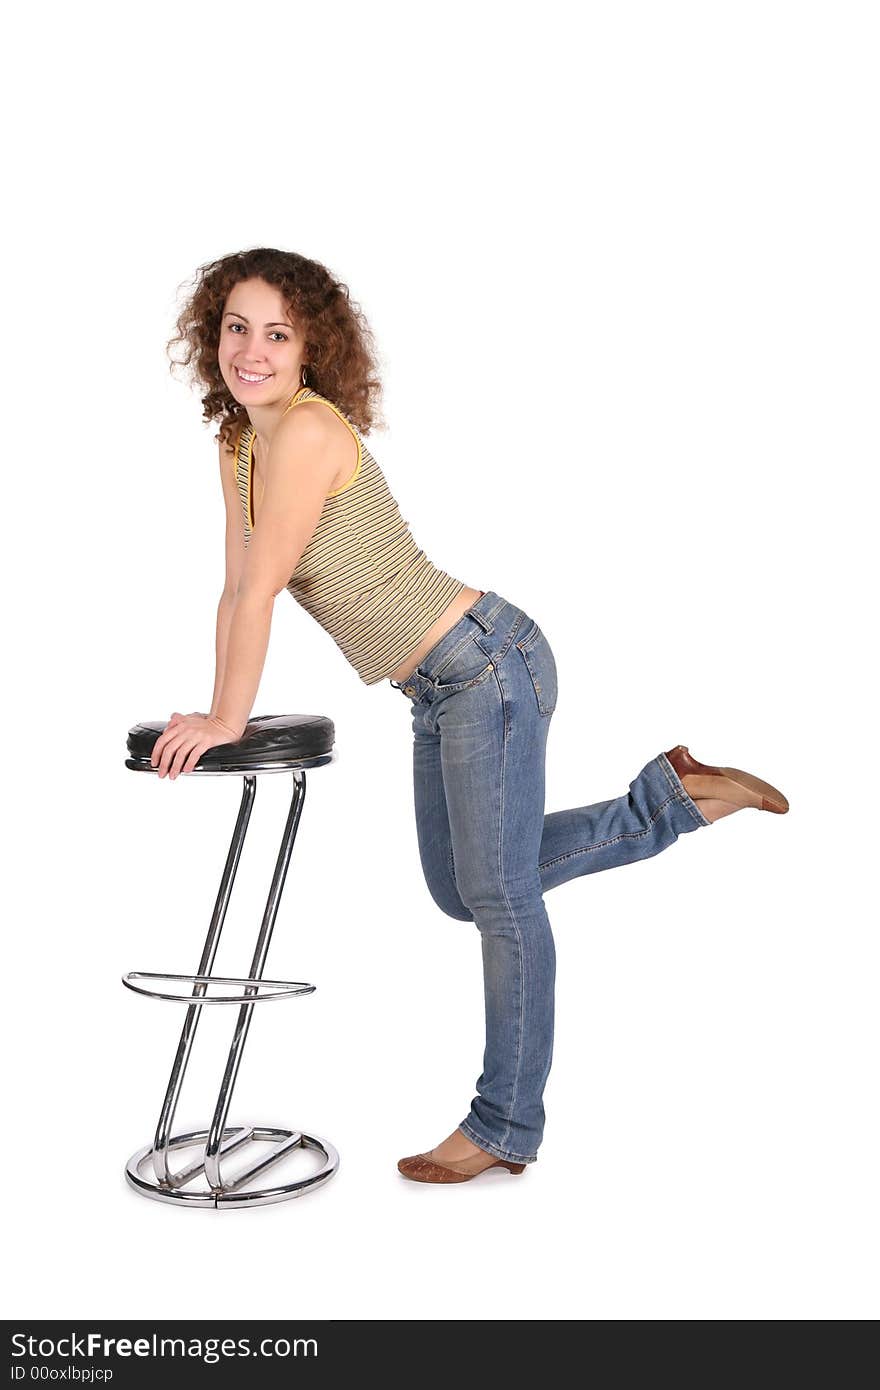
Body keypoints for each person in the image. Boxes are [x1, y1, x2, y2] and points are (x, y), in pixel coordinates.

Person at [151, 247, 790, 1186]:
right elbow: (236, 584)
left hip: (486, 663)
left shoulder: (307, 435)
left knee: (500, 900)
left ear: (309, 348)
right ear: (213, 336)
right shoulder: (241, 439)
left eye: (276, 334)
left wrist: (225, 720)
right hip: (440, 685)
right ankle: (673, 801)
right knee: (463, 890)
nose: (252, 349)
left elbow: (264, 594)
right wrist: (218, 709)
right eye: (236, 327)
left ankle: (504, 1125)